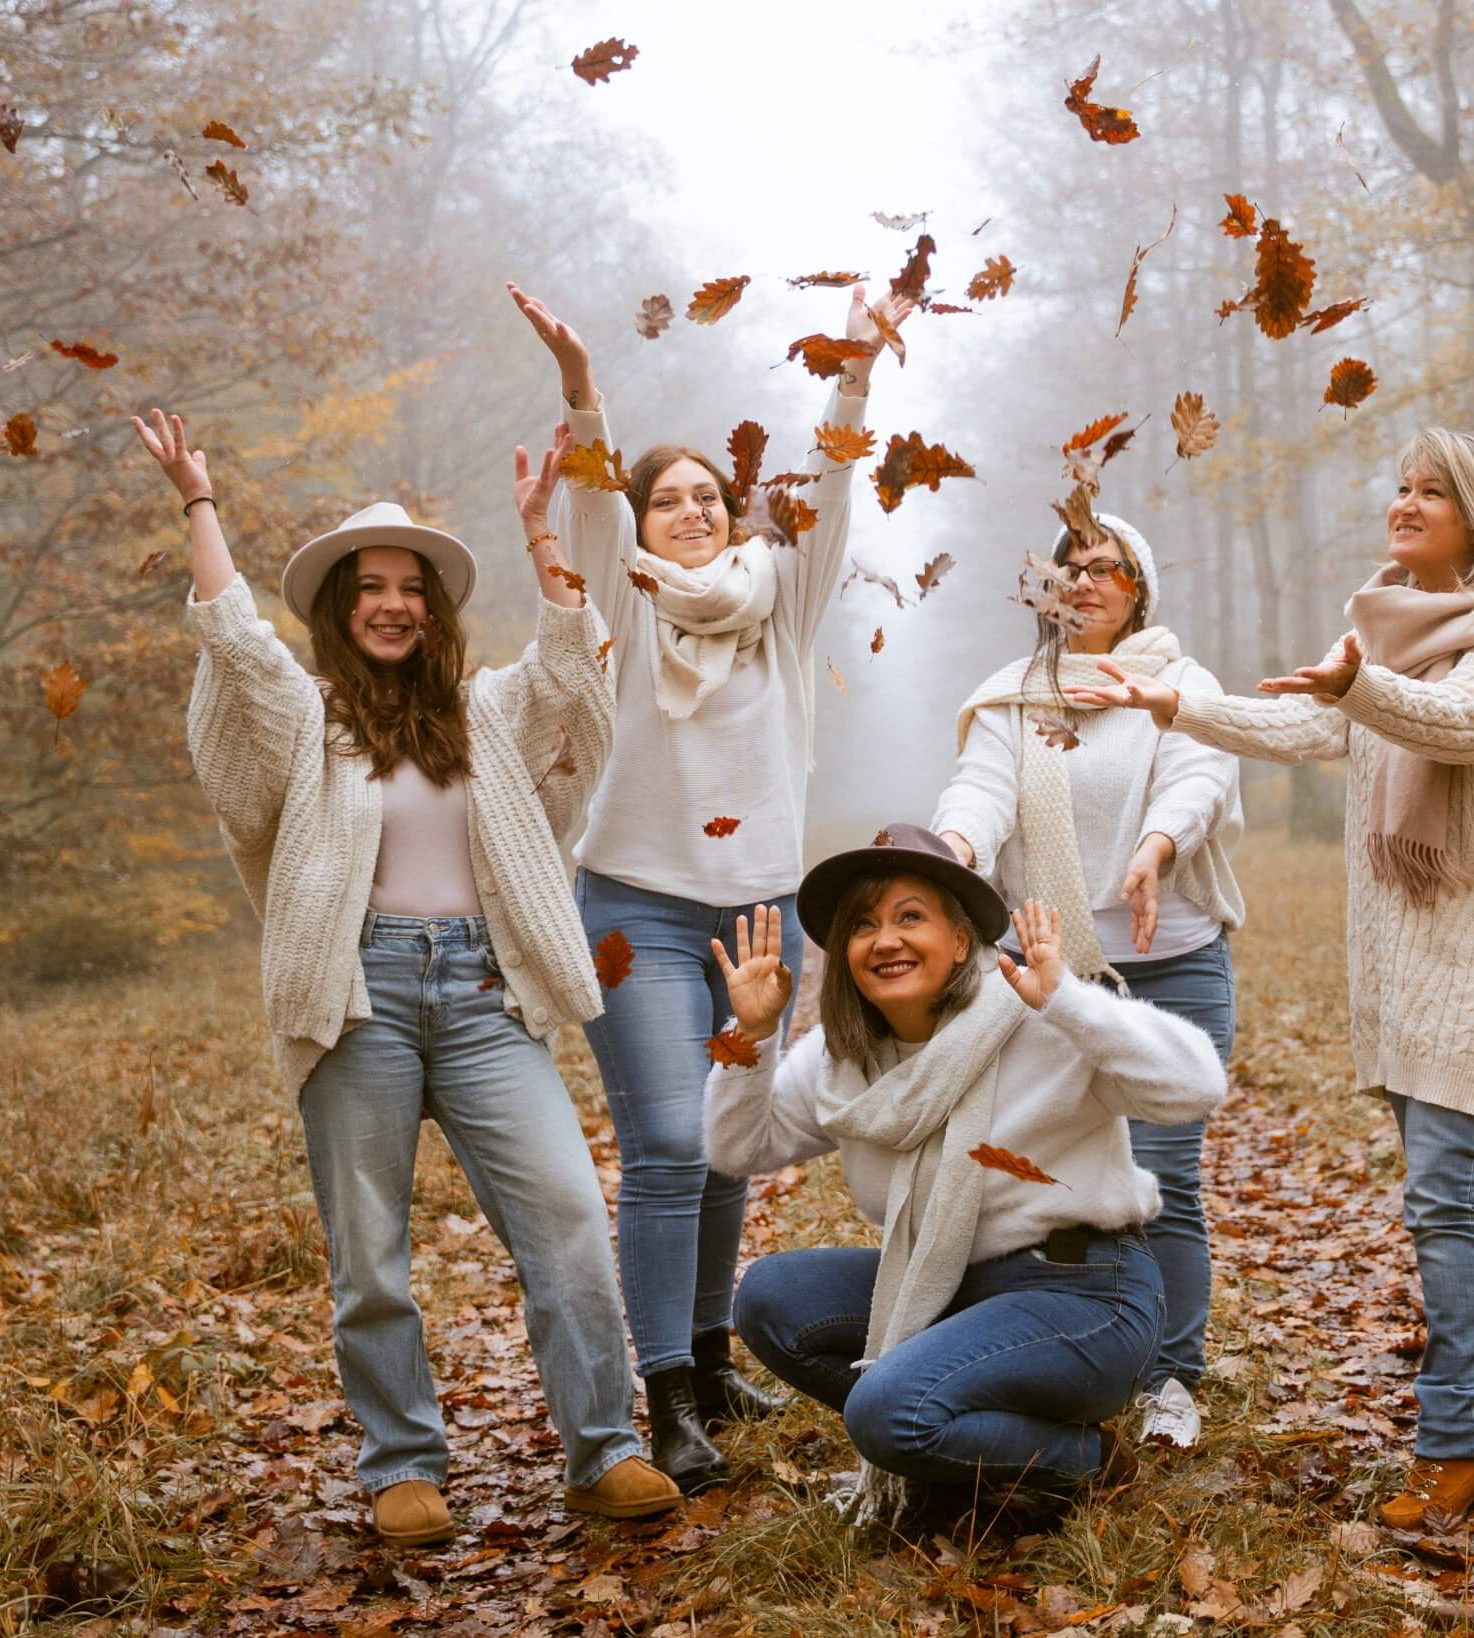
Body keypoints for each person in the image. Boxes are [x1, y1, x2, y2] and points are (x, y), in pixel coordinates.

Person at [1072, 429, 1474, 1529]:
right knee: (1468, 1190)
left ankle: (1458, 1439)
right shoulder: (1386, 629)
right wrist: (1178, 707)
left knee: (1443, 1194)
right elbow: (1304, 721)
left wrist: (1360, 683)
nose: (1406, 502)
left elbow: (1468, 723)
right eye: (1401, 485)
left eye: (1433, 490)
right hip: (1408, 964)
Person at [136, 407, 679, 1540]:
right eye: (369, 586)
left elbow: (574, 670)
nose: (392, 602)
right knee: (370, 1256)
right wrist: (200, 502)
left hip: (484, 997)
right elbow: (236, 641)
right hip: (358, 999)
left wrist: (539, 533)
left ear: (433, 609)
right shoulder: (309, 721)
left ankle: (603, 1448)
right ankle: (401, 1466)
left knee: (572, 1222)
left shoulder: (482, 714)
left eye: (411, 586)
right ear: (342, 608)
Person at [506, 280, 916, 1494]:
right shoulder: (618, 606)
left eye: (705, 498)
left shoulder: (778, 605)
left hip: (755, 916)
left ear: (734, 517)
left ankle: (709, 1352)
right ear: (640, 522)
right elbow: (587, 504)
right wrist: (582, 390)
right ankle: (665, 1393)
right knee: (672, 1145)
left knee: (730, 1151)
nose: (687, 512)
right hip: (633, 905)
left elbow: (831, 492)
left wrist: (855, 365)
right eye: (663, 500)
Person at [701, 826, 1230, 1526]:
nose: (884, 939)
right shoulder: (844, 1058)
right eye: (863, 924)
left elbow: (1197, 1085)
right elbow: (737, 1146)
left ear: (960, 938)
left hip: (1085, 1295)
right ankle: (960, 1443)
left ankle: (1081, 1457)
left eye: (909, 916)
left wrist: (1067, 1000)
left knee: (890, 1413)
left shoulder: (1034, 1013)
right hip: (947, 1287)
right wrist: (751, 1036)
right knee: (771, 1297)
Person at [930, 510, 1242, 1449]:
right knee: (1044, 1179)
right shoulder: (1018, 695)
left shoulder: (1181, 686)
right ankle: (1054, 1355)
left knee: (1164, 1179)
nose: (1088, 582)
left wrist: (1154, 851)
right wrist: (951, 852)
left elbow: (1200, 775)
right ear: (1049, 589)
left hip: (1174, 963)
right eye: (1072, 567)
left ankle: (1169, 1379)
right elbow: (981, 792)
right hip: (1047, 974)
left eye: (1108, 569)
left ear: (1139, 589)